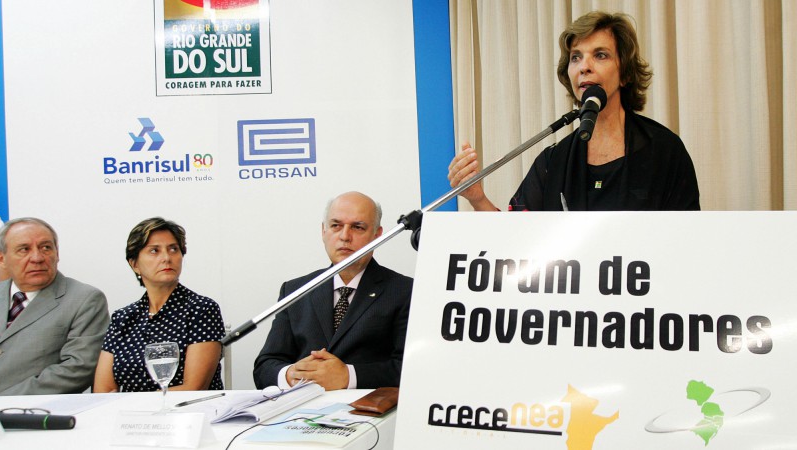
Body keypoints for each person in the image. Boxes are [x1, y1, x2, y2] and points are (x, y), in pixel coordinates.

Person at [448, 11, 700, 211]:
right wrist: (477, 198)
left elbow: (688, 239)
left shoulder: (665, 150)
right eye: (576, 57)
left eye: (600, 55)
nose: (584, 67)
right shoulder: (553, 160)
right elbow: (514, 240)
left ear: (624, 73)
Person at [253, 192, 412, 391]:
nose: (345, 236)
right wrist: (290, 374)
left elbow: (411, 368)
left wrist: (349, 376)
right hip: (303, 407)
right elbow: (265, 366)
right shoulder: (295, 290)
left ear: (377, 235)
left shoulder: (405, 290)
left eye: (357, 227)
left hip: (367, 407)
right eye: (336, 225)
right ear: (323, 231)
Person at [93, 217, 225, 392]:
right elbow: (102, 390)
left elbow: (193, 388)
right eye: (154, 251)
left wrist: (132, 402)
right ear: (134, 264)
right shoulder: (122, 318)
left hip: (187, 409)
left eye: (173, 249)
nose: (166, 258)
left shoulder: (201, 309)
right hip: (129, 410)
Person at [0, 217, 109, 395]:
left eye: (46, 248)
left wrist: (5, 400)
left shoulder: (85, 299)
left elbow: (77, 369)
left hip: (34, 409)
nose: (37, 258)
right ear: (1, 259)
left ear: (57, 253)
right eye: (24, 249)